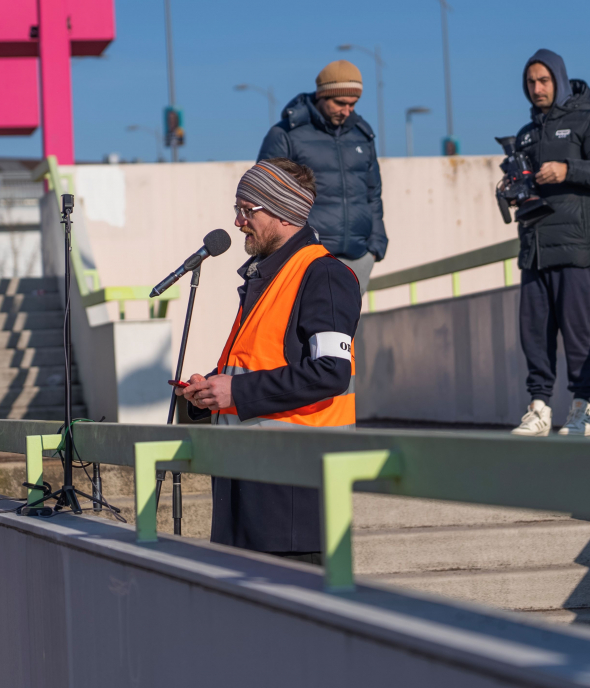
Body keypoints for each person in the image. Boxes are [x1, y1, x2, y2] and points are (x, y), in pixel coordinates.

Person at [177, 157, 361, 564]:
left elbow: (332, 372)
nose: (239, 222)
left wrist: (236, 390)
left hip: (293, 507)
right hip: (249, 496)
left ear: (283, 212)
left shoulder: (324, 275)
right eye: (237, 209)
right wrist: (211, 387)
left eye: (247, 209)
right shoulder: (267, 278)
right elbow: (258, 363)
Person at [509, 49, 590, 438]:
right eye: (530, 82)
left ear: (558, 78)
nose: (537, 88)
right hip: (534, 248)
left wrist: (567, 169)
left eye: (543, 80)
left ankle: (582, 409)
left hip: (576, 246)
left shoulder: (589, 121)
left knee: (576, 332)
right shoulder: (526, 133)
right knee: (534, 334)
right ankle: (539, 409)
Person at [256, 60, 386, 294]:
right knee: (305, 328)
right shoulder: (286, 134)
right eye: (340, 103)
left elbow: (372, 193)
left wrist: (375, 246)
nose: (347, 110)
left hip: (358, 256)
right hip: (307, 256)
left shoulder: (362, 136)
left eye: (353, 104)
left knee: (345, 329)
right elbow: (265, 196)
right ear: (322, 94)